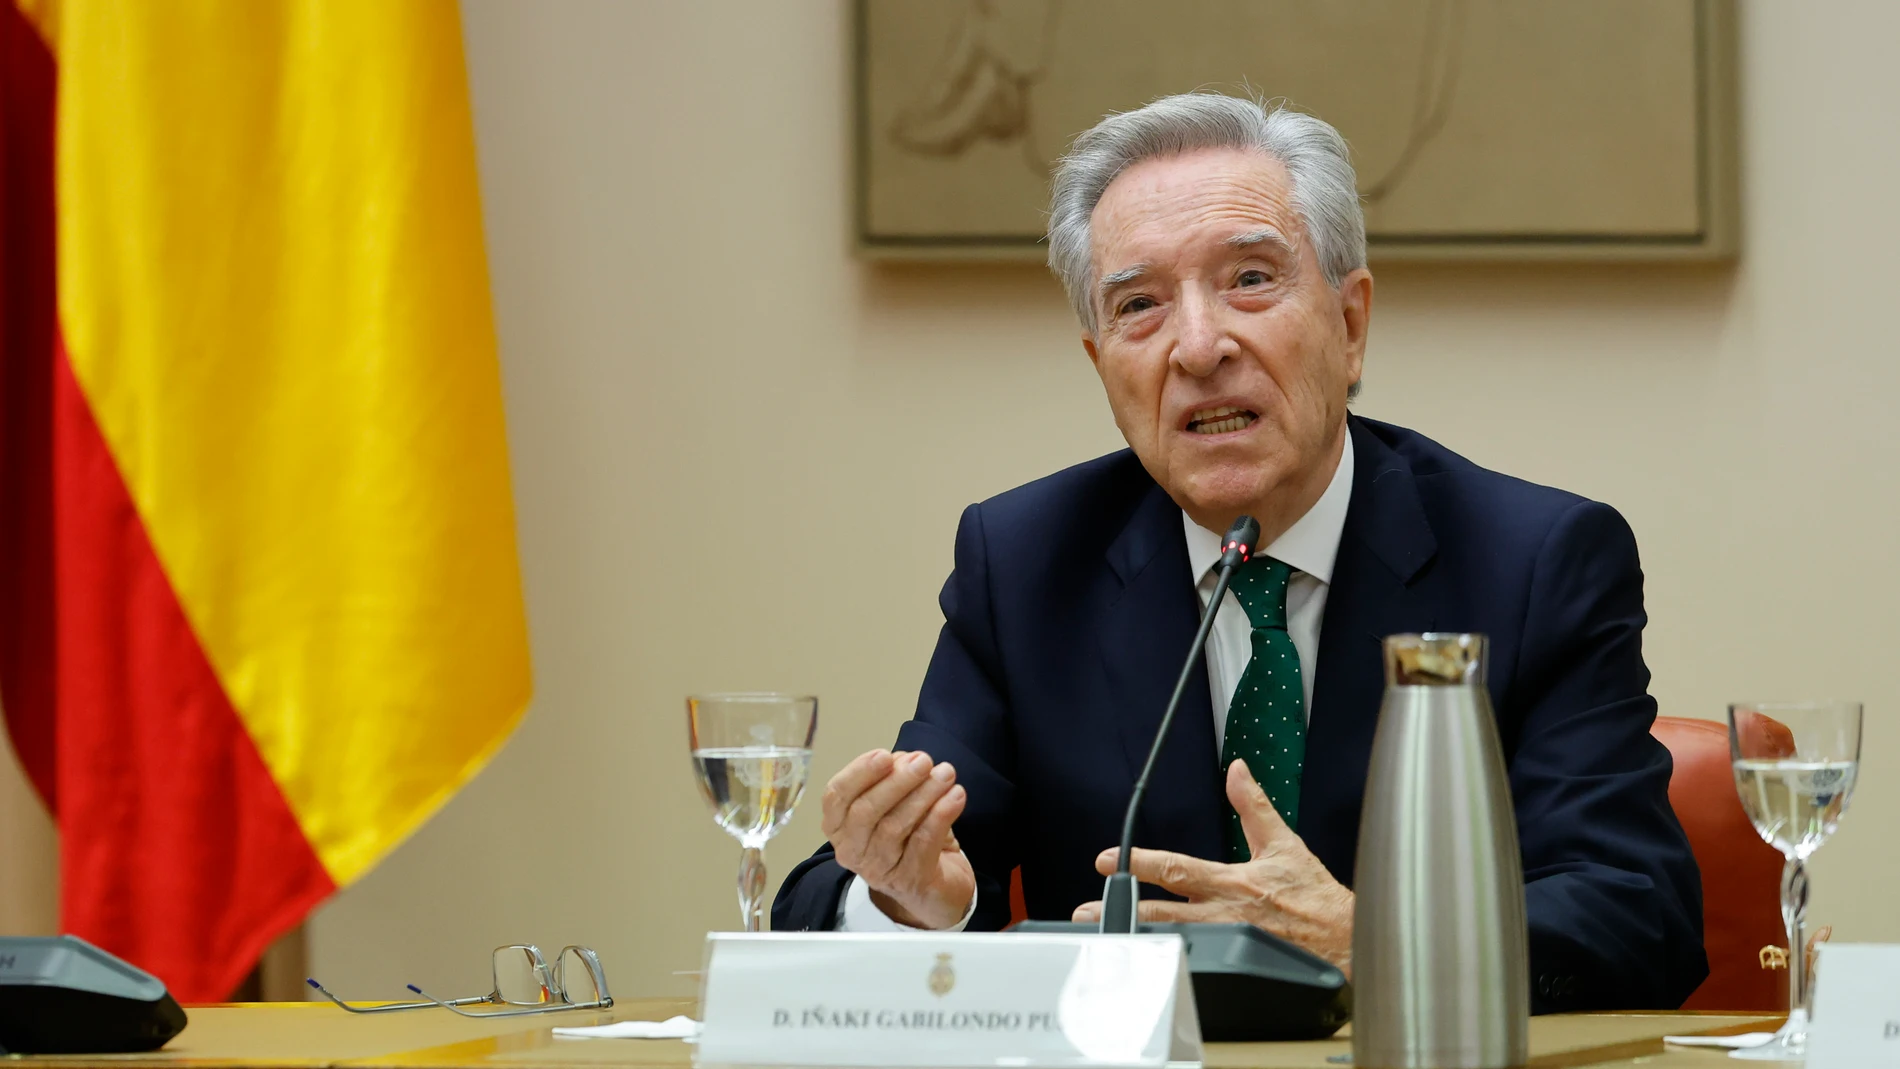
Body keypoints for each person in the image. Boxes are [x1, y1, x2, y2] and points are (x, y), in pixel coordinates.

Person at [771, 92, 1707, 1012]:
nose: (1198, 344)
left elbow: (1639, 913)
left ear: (1350, 325)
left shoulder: (1533, 562)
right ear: (1103, 366)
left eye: (1250, 280)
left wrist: (1378, 943)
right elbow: (830, 896)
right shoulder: (1026, 564)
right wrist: (911, 900)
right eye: (1139, 304)